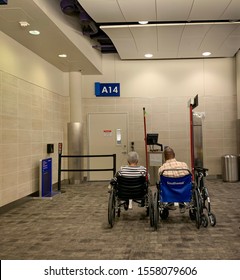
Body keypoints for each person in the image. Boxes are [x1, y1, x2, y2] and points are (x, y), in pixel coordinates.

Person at [158, 146, 189, 212]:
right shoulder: (184, 165)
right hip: (183, 190)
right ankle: (182, 204)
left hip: (169, 190)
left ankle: (170, 202)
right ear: (174, 155)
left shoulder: (162, 168)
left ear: (164, 157)